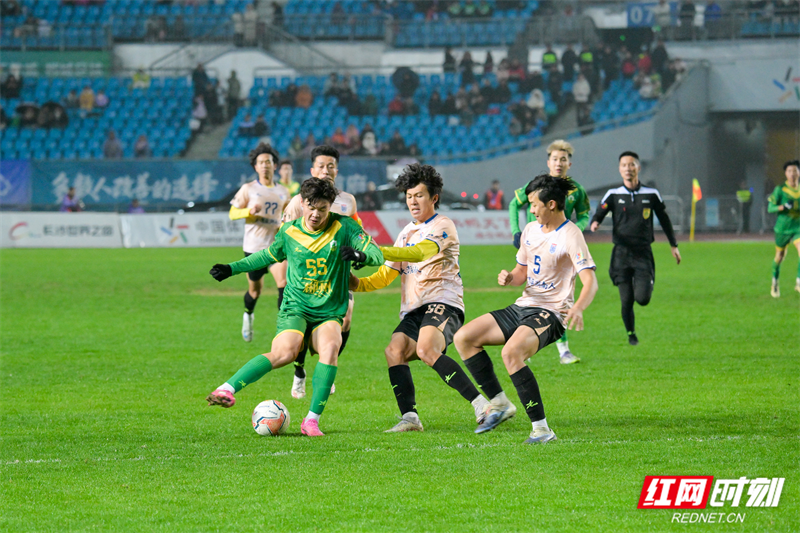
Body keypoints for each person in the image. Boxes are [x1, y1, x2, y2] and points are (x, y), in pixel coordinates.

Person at [206, 177, 384, 437]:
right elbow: (266, 255)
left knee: (331, 346)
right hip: (296, 307)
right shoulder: (289, 231)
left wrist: (360, 256)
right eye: (311, 206)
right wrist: (232, 268)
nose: (315, 214)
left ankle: (311, 420)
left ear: (330, 207)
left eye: (322, 209)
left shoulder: (345, 227)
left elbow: (378, 254)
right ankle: (226, 389)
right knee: (284, 352)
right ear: (301, 202)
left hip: (328, 311)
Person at [454, 174, 598, 444]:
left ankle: (542, 430)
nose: (530, 210)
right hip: (524, 305)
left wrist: (578, 307)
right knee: (464, 338)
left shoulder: (571, 235)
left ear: (552, 204)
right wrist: (510, 276)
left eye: (534, 204)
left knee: (512, 352)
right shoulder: (531, 230)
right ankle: (500, 404)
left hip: (551, 313)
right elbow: (522, 271)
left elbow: (591, 280)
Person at [350, 163, 490, 432]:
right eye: (409, 196)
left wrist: (373, 251)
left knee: (427, 350)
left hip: (443, 302)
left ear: (433, 198)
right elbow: (383, 277)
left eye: (419, 195)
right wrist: (353, 282)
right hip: (415, 308)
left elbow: (419, 253)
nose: (413, 201)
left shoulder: (443, 225)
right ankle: (410, 418)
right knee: (394, 351)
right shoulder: (405, 233)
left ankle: (482, 405)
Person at [280, 145, 361, 399]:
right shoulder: (297, 202)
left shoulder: (347, 200)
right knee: (304, 330)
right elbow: (284, 240)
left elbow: (357, 230)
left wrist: (360, 251)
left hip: (338, 276)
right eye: (321, 166)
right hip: (307, 280)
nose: (326, 171)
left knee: (346, 319)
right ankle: (299, 370)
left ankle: (327, 366)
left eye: (331, 166)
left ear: (337, 169)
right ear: (313, 169)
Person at [509, 140, 591, 364]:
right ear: (548, 162)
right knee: (535, 293)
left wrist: (577, 230)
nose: (558, 163)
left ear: (569, 164)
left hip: (560, 248)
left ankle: (562, 350)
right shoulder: (537, 186)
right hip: (535, 244)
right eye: (555, 159)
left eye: (563, 159)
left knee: (558, 296)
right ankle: (523, 345)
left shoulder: (576, 190)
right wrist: (516, 231)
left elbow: (584, 214)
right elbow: (513, 204)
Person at [590, 151, 681, 345]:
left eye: (631, 165)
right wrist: (595, 222)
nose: (628, 168)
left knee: (642, 299)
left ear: (638, 168)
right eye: (624, 165)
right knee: (626, 300)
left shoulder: (651, 194)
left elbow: (664, 219)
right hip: (621, 254)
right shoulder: (613, 194)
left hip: (643, 253)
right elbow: (599, 212)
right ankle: (631, 333)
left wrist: (674, 245)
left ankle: (647, 281)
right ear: (620, 169)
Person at [228, 143, 291, 343]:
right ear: (255, 167)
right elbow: (232, 213)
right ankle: (248, 314)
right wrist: (248, 211)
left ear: (275, 165)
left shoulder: (283, 192)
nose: (265, 165)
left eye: (268, 162)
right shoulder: (248, 189)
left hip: (275, 248)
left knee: (284, 282)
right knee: (255, 291)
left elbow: (288, 218)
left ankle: (284, 328)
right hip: (254, 249)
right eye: (261, 162)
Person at [767, 160, 800, 297]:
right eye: (789, 171)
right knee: (779, 257)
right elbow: (770, 208)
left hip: (798, 226)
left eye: (795, 171)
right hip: (783, 228)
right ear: (786, 173)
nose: (792, 174)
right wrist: (782, 207)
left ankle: (799, 282)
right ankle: (774, 282)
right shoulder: (780, 189)